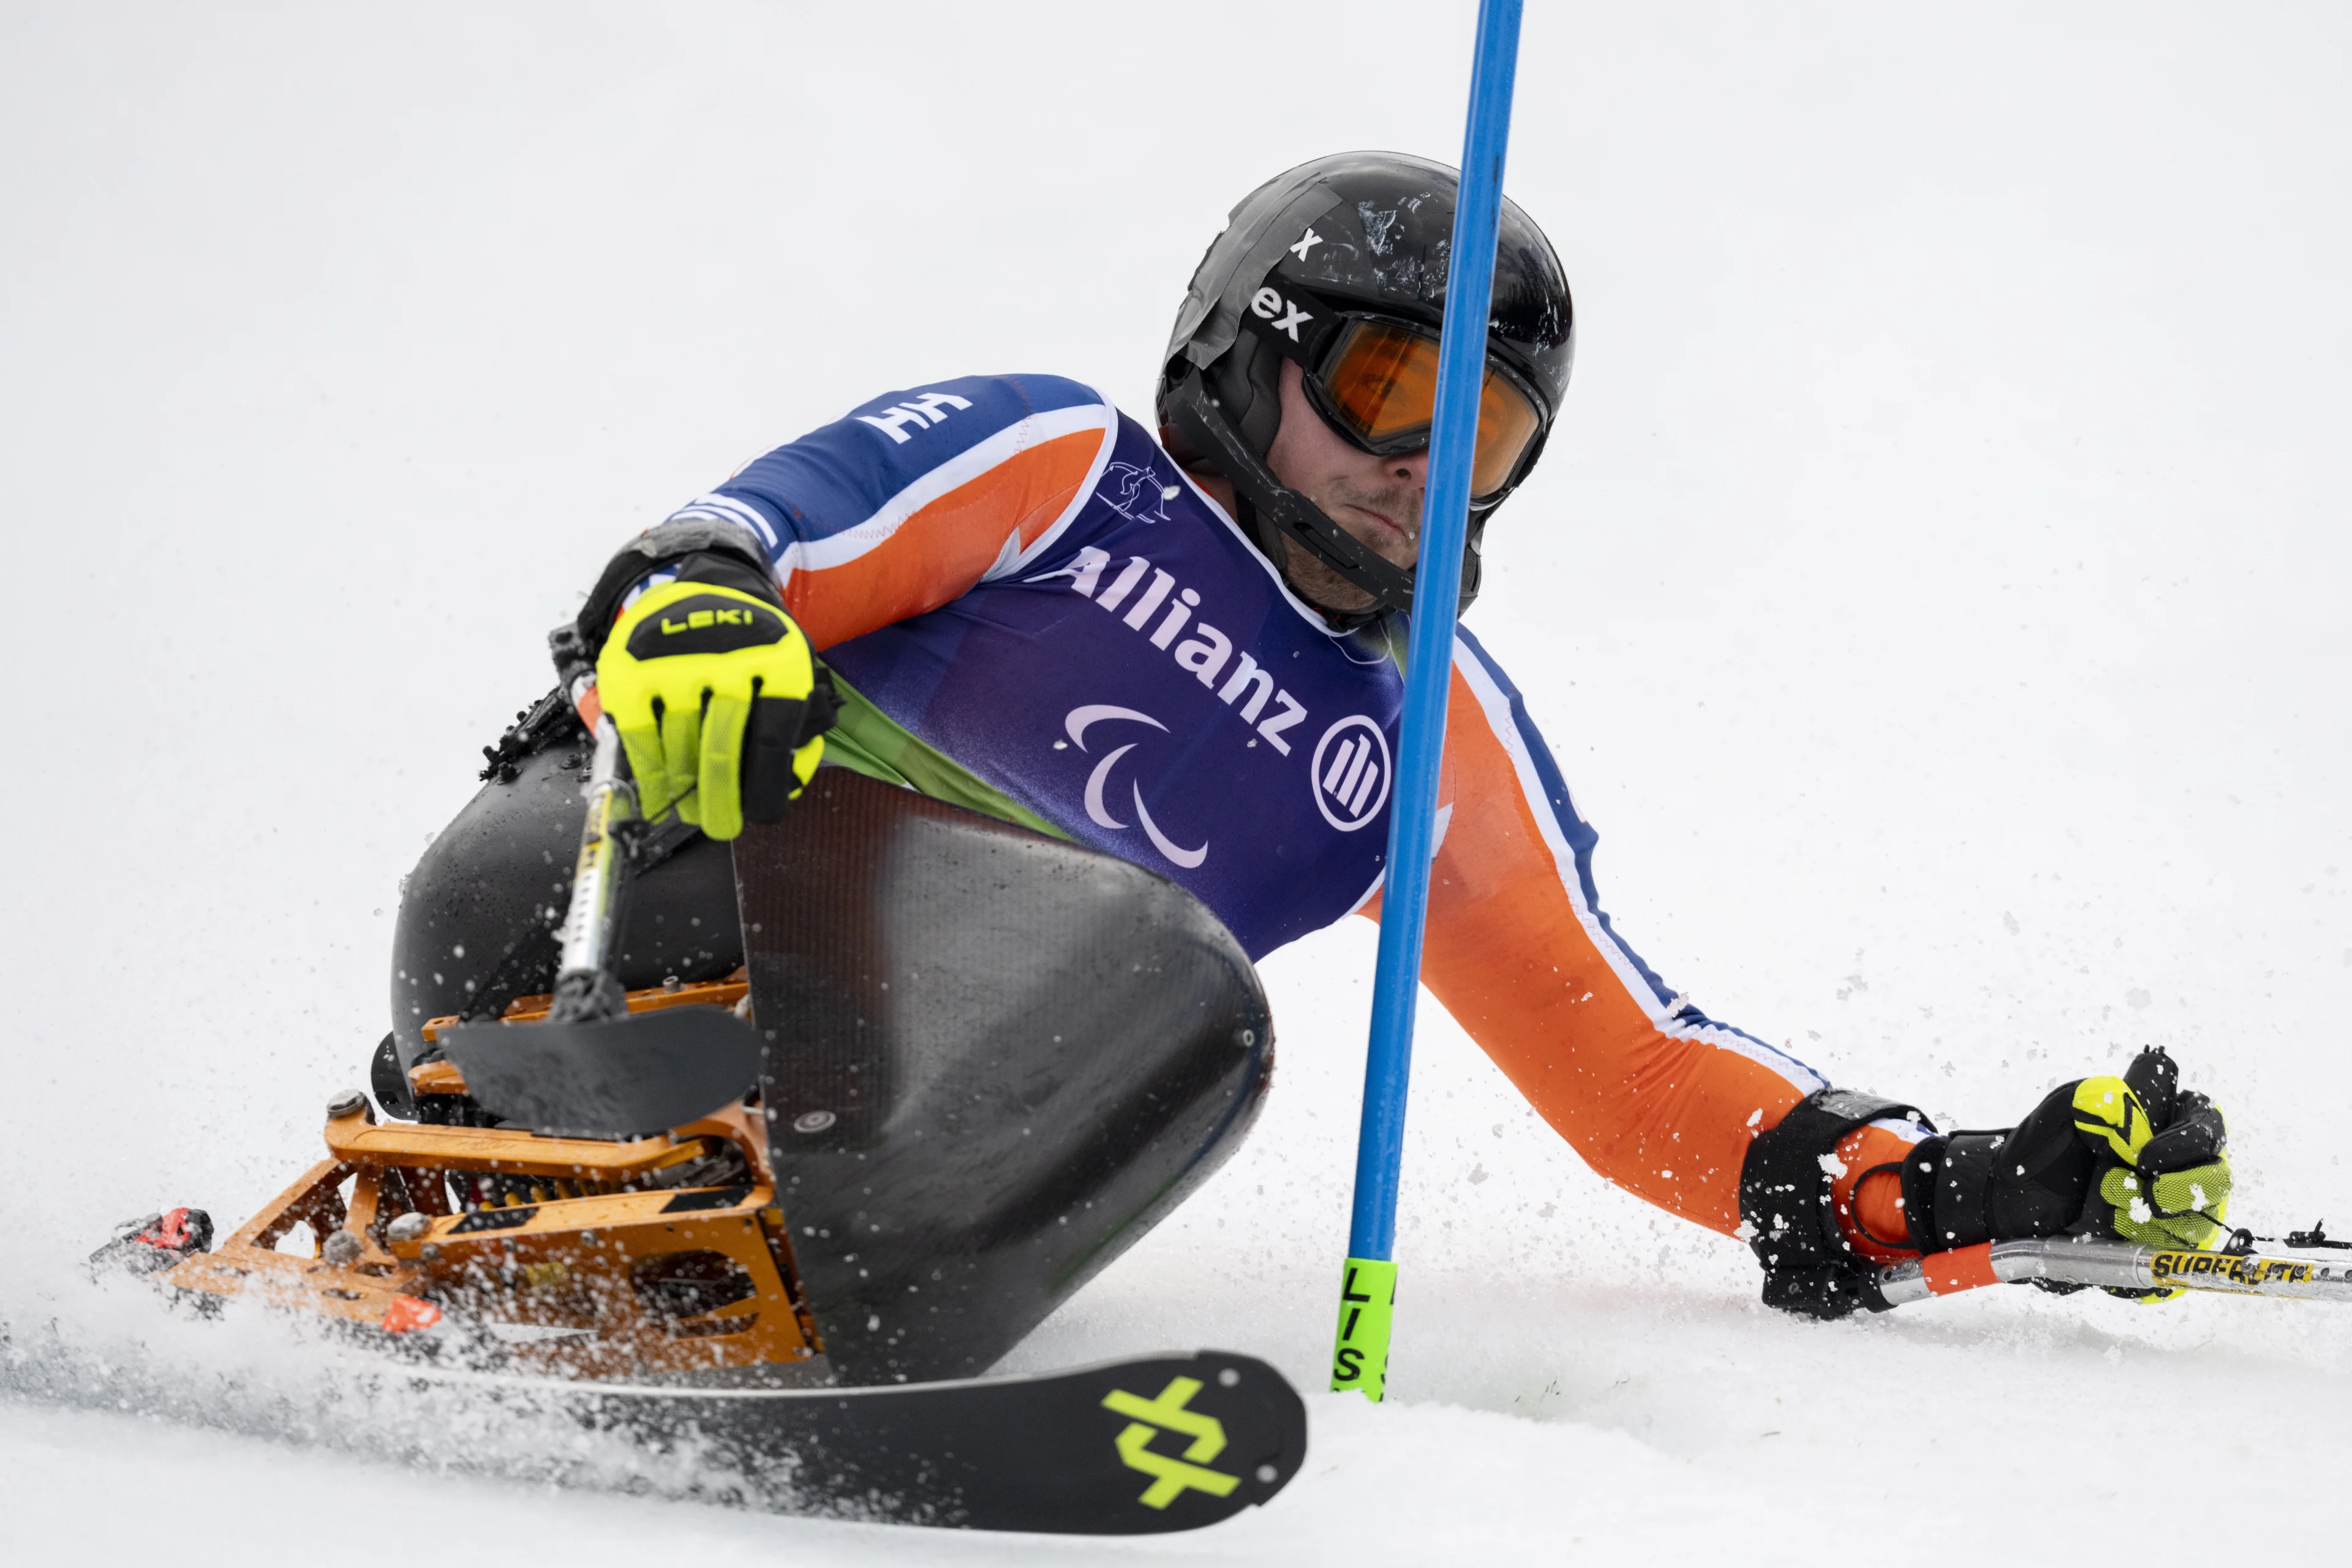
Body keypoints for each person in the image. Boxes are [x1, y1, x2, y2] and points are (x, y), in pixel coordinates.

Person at [391, 151, 2231, 1317]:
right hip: (619, 902)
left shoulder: (1420, 735)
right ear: (1244, 352)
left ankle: (755, 1287)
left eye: (1484, 437)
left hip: (914, 1144)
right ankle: (499, 1171)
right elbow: (750, 535)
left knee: (1184, 1009)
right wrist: (702, 606)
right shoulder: (1064, 471)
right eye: (1383, 392)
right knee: (1149, 965)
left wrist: (1910, 1183)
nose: (1418, 471)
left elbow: (1632, 1063)